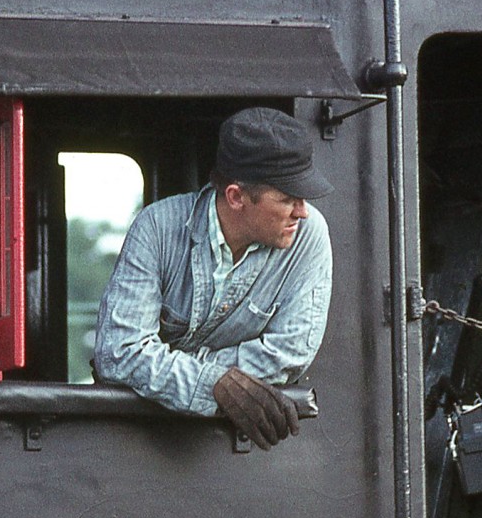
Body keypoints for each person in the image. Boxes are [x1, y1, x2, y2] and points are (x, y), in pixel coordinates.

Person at [93, 107, 333, 450]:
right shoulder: (156, 228)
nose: (303, 211)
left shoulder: (308, 236)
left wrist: (176, 372)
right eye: (286, 199)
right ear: (235, 197)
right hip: (134, 443)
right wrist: (215, 383)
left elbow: (289, 354)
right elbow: (120, 352)